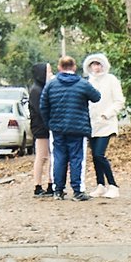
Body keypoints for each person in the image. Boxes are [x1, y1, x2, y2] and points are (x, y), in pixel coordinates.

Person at [41, 55, 100, 201]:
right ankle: (78, 190)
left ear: (59, 68)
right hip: (78, 128)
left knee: (58, 158)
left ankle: (58, 190)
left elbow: (43, 106)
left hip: (57, 128)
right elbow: (96, 97)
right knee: (76, 158)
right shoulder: (82, 83)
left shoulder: (51, 85)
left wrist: (49, 123)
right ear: (74, 67)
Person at [83, 52, 124, 199]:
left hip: (106, 123)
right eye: (94, 64)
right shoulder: (88, 81)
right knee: (94, 156)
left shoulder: (111, 80)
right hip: (91, 125)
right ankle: (100, 184)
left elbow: (119, 101)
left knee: (100, 154)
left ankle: (113, 185)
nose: (96, 67)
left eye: (99, 64)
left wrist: (108, 113)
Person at [27, 62, 54, 197]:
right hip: (41, 128)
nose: (50, 74)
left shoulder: (43, 88)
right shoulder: (36, 90)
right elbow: (41, 110)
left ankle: (50, 183)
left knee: (49, 156)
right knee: (42, 156)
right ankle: (38, 185)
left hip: (45, 127)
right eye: (48, 71)